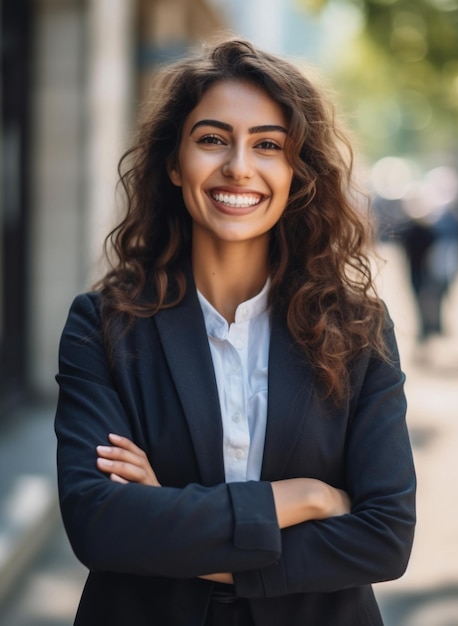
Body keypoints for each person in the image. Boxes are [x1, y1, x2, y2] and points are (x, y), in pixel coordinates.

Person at [55, 38, 416, 626]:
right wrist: (306, 498)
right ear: (175, 162)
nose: (239, 166)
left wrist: (168, 516)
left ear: (296, 173)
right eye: (213, 139)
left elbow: (383, 538)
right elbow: (100, 526)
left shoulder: (358, 329)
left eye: (268, 144)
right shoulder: (103, 325)